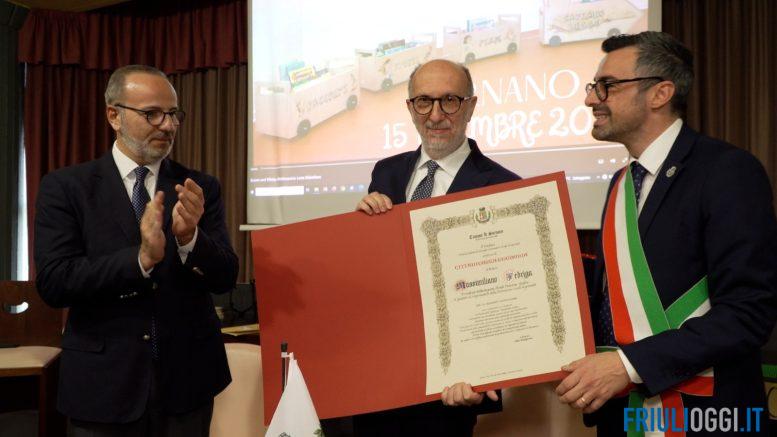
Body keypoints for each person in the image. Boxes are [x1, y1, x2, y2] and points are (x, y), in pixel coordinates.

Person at [555, 31, 777, 436]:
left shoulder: (727, 171)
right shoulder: (621, 183)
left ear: (660, 93)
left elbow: (748, 313)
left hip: (705, 416)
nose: (590, 99)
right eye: (593, 86)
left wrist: (628, 366)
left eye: (607, 86)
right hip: (626, 415)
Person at [34, 64, 239, 436]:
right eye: (152, 114)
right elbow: (55, 282)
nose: (168, 125)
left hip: (187, 382)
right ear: (114, 116)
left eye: (173, 114)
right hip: (103, 385)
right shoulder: (66, 187)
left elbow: (225, 276)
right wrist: (140, 260)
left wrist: (190, 240)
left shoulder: (197, 187)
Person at [353, 59, 520, 436]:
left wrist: (487, 376)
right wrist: (361, 228)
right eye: (424, 101)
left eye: (450, 100)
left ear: (471, 107)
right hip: (379, 379)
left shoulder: (505, 187)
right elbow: (376, 271)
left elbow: (506, 295)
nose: (435, 115)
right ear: (410, 108)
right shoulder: (386, 172)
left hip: (451, 389)